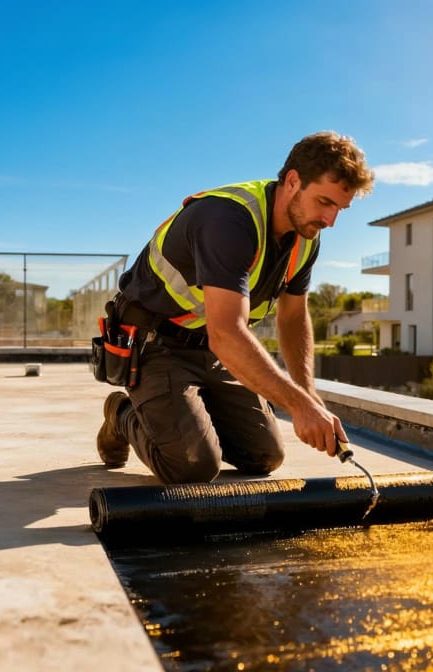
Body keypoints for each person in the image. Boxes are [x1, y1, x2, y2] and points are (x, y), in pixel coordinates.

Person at [95, 131, 374, 484]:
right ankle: (120, 414)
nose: (330, 220)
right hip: (156, 343)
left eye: (339, 208)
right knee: (192, 466)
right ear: (292, 181)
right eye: (324, 202)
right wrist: (299, 408)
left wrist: (308, 395)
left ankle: (187, 413)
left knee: (265, 457)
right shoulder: (227, 220)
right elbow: (226, 332)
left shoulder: (305, 238)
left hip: (211, 350)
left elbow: (292, 318)